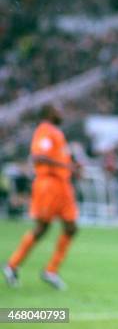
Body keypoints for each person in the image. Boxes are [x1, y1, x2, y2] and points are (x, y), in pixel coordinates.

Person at [3, 104, 80, 290]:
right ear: (49, 113)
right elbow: (38, 156)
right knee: (42, 227)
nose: (62, 113)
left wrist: (71, 166)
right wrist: (65, 166)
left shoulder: (56, 132)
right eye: (59, 110)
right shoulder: (45, 130)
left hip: (62, 185)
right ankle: (12, 265)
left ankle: (51, 270)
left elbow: (58, 157)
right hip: (49, 184)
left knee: (71, 227)